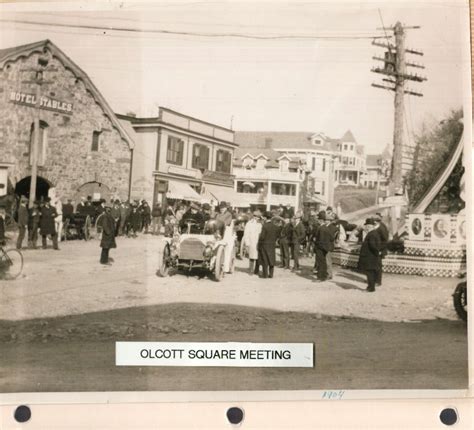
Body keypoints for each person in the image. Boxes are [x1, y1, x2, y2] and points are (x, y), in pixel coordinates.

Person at [357, 218, 382, 292]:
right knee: (371, 272)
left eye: (367, 226)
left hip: (370, 256)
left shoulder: (371, 234)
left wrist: (377, 252)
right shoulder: (375, 233)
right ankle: (371, 286)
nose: (366, 227)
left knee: (369, 272)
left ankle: (370, 288)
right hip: (372, 256)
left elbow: (372, 246)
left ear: (369, 226)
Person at [256, 211, 280, 278]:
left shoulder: (265, 226)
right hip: (272, 244)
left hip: (265, 244)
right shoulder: (275, 226)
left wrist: (259, 240)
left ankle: (265, 274)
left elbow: (262, 237)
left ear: (266, 218)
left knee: (265, 260)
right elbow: (277, 235)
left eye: (264, 217)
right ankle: (271, 274)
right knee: (271, 259)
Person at [242, 210, 262, 275]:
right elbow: (246, 234)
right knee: (251, 257)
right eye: (255, 216)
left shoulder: (260, 224)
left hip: (258, 242)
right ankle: (251, 270)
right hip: (252, 241)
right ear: (253, 216)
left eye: (258, 217)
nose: (256, 218)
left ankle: (256, 270)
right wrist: (247, 243)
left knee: (258, 257)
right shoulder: (249, 223)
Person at [313, 211, 332, 281]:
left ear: (321, 220)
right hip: (324, 248)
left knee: (320, 262)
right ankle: (323, 276)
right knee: (323, 262)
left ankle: (320, 277)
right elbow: (331, 238)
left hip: (320, 248)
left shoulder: (321, 228)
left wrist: (316, 243)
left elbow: (320, 240)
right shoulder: (326, 228)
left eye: (318, 219)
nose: (317, 221)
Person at [374, 213, 389, 286]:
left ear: (377, 221)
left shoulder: (382, 228)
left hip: (379, 249)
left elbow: (385, 240)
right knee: (375, 264)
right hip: (376, 249)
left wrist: (380, 250)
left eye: (374, 221)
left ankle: (378, 281)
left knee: (378, 266)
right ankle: (374, 280)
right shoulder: (377, 227)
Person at [326, 213, 338, 280]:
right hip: (326, 245)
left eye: (327, 220)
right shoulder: (327, 227)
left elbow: (332, 238)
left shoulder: (333, 228)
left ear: (330, 220)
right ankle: (327, 273)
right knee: (326, 260)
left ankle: (329, 274)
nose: (326, 221)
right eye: (325, 220)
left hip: (329, 246)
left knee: (328, 260)